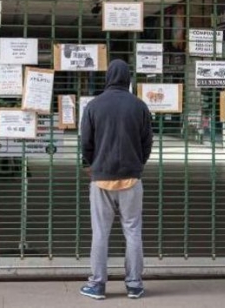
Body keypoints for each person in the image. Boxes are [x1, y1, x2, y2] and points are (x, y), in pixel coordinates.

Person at [79, 59, 153, 300]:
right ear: (128, 78)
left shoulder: (94, 106)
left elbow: (86, 143)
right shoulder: (139, 106)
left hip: (101, 180)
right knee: (133, 231)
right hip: (132, 179)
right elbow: (147, 143)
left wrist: (93, 165)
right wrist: (137, 164)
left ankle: (98, 285)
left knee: (100, 232)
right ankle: (134, 284)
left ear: (108, 77)